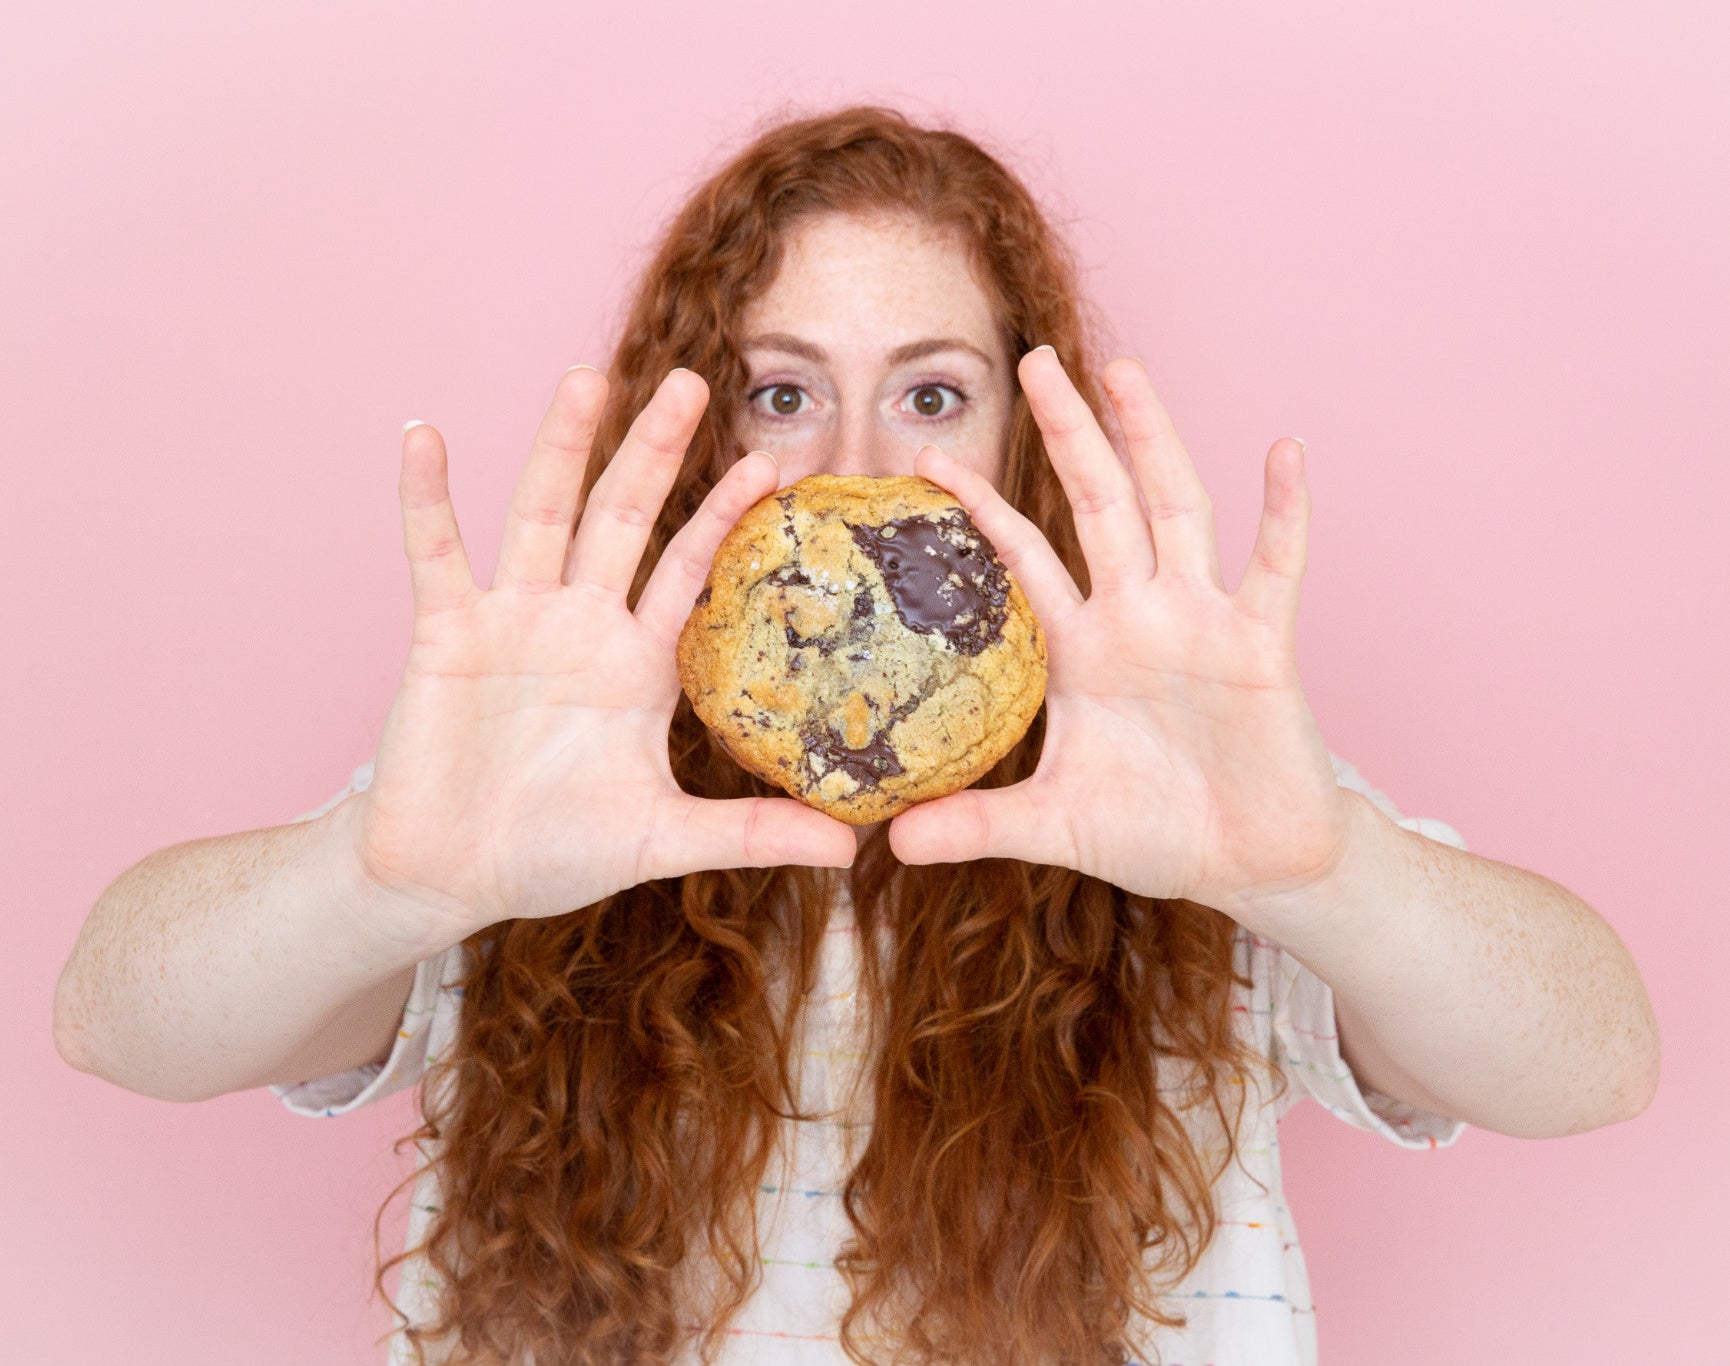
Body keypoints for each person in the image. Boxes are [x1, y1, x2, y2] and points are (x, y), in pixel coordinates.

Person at [54, 106, 1660, 1366]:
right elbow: (116, 1019)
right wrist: (380, 876)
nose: (853, 468)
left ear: (1030, 444)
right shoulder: (526, 795)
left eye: (934, 393)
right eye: (779, 392)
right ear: (692, 435)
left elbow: (1590, 1059)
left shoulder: (1183, 798)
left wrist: (1322, 866)